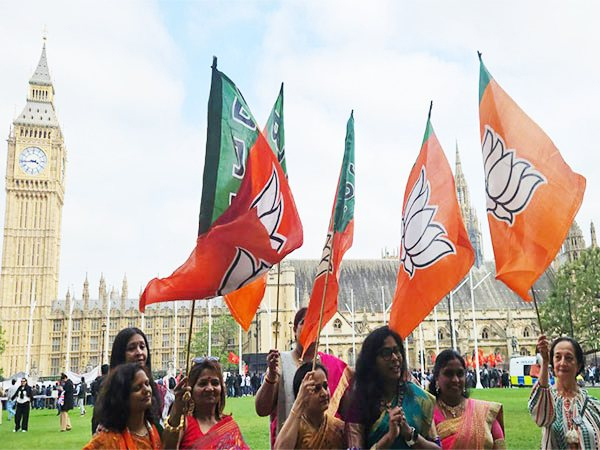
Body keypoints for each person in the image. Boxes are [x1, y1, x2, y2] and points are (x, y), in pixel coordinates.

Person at [255, 307, 352, 446]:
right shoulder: (280, 362)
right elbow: (261, 409)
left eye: (315, 322)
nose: (310, 326)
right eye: (304, 322)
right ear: (294, 330)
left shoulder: (335, 366)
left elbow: (351, 417)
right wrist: (271, 376)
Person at [346, 326, 440, 449]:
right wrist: (389, 437)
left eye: (397, 351)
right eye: (386, 353)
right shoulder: (359, 402)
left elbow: (437, 447)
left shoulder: (417, 396)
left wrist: (410, 434)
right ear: (371, 361)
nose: (395, 358)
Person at [529, 335, 600, 449]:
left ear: (578, 365)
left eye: (569, 358)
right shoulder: (548, 401)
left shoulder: (593, 406)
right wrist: (545, 362)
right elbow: (540, 417)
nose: (562, 363)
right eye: (558, 357)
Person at [162, 358, 249, 449]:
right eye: (203, 384)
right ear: (191, 389)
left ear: (222, 388)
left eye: (215, 383)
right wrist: (176, 410)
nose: (210, 388)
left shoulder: (229, 425)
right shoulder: (183, 424)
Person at [428, 349, 505, 449]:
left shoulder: (485, 412)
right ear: (437, 377)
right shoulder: (426, 414)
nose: (455, 380)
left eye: (460, 374)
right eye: (449, 373)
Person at [93, 327, 162, 434]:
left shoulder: (156, 390)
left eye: (142, 347)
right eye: (131, 348)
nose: (139, 352)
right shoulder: (109, 392)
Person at [83, 363, 161, 450]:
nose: (146, 390)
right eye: (137, 388)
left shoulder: (155, 430)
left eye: (147, 384)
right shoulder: (107, 441)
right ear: (122, 397)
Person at [274, 362, 345, 449]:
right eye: (316, 389)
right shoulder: (294, 429)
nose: (324, 393)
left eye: (325, 386)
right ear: (301, 393)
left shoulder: (338, 428)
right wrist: (299, 403)